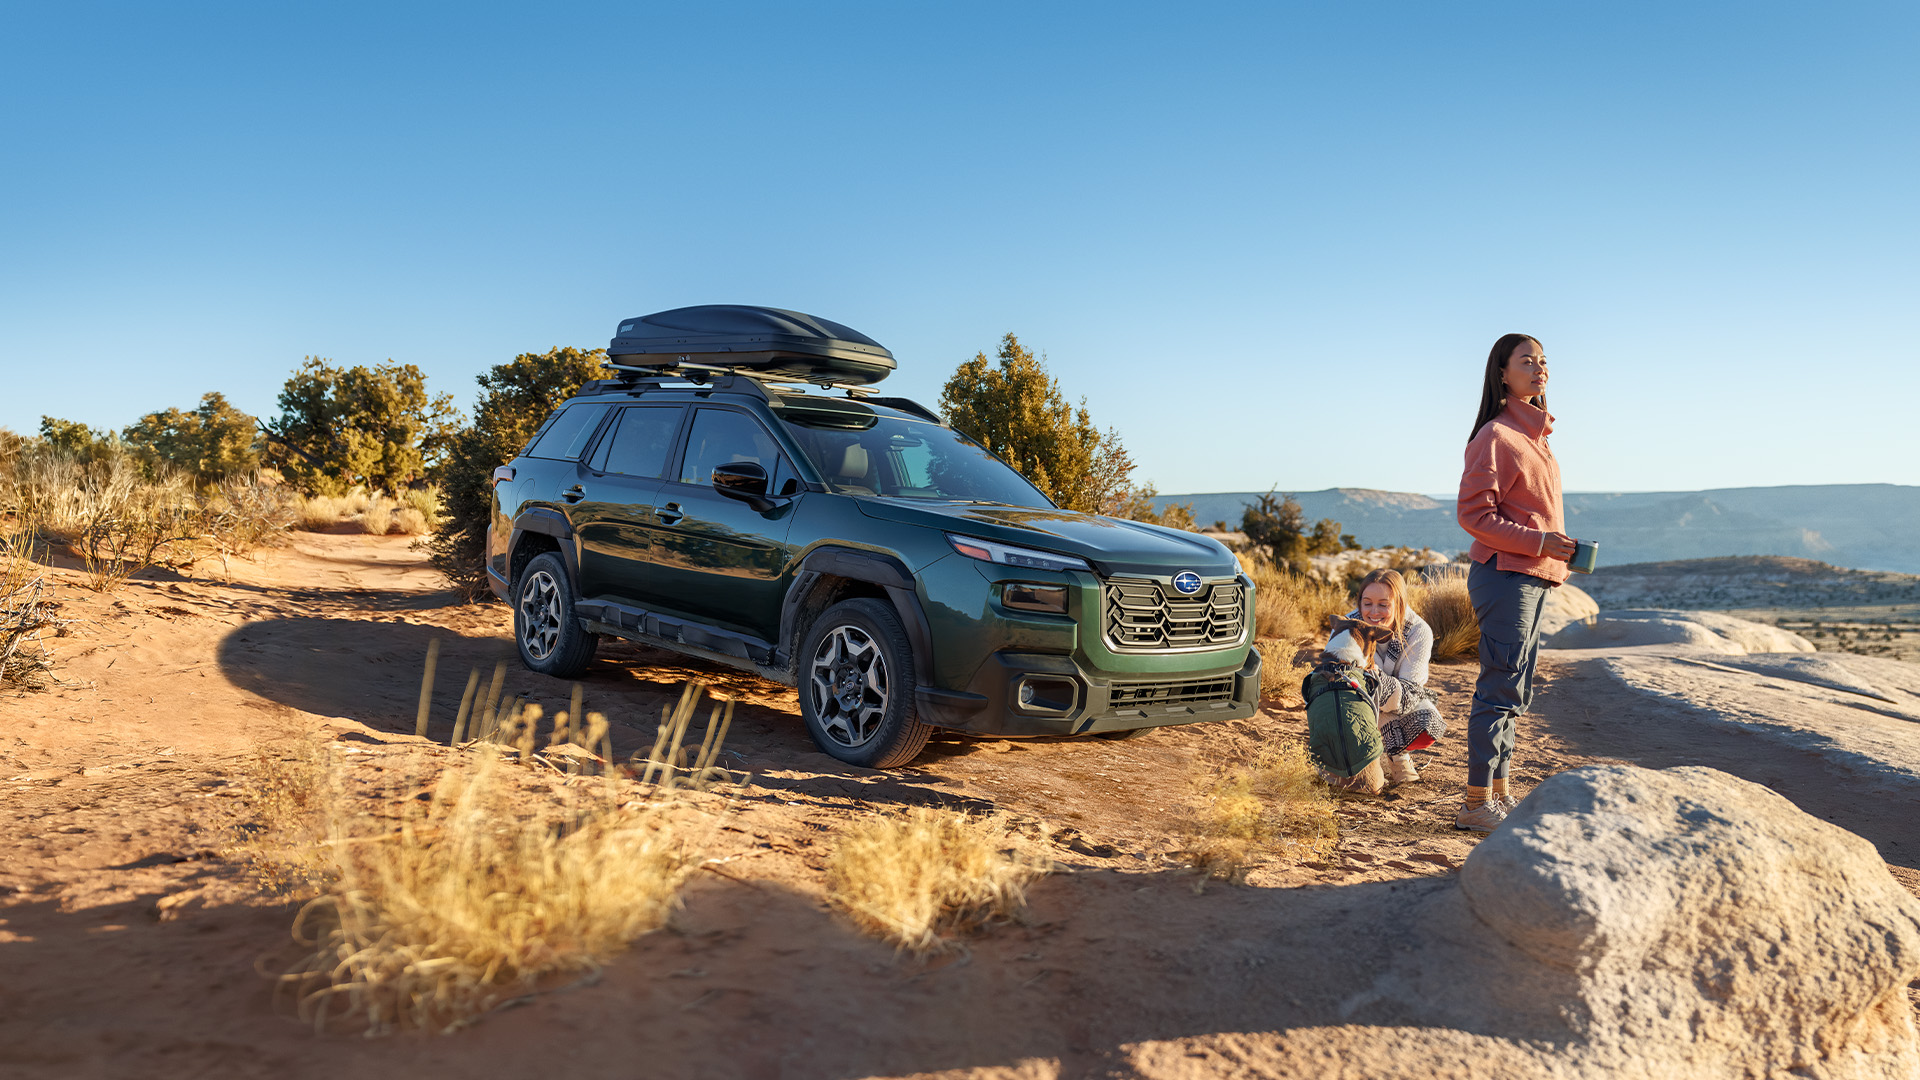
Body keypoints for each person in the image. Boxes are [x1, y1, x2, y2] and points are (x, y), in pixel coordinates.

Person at [1454, 332, 1574, 831]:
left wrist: (1553, 549)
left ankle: (1499, 795)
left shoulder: (1536, 439)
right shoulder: (1496, 437)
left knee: (1516, 690)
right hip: (1504, 576)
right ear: (1503, 373)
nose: (1539, 367)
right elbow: (1473, 515)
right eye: (1527, 360)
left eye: (1543, 361)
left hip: (1532, 577)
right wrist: (1540, 541)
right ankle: (1476, 804)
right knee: (1499, 687)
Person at [1325, 568, 1445, 785]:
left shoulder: (1418, 631)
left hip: (1396, 696)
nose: (1373, 612)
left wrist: (1374, 679)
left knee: (1426, 720)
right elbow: (1332, 672)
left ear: (1399, 603)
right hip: (1354, 695)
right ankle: (1348, 758)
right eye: (1367, 603)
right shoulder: (1346, 625)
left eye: (1383, 604)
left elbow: (1409, 692)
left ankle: (1398, 755)